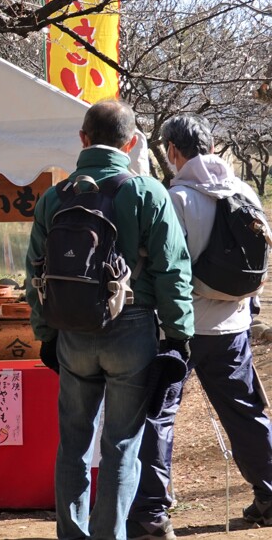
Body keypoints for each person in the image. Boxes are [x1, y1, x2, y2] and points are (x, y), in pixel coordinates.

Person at [25, 99, 194, 540]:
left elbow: (35, 273)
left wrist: (46, 334)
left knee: (74, 444)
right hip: (132, 328)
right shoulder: (146, 192)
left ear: (82, 139)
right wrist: (178, 335)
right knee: (121, 446)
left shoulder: (53, 198)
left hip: (72, 333)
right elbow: (173, 269)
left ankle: (71, 534)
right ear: (132, 142)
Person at [127, 114, 272, 538]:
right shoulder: (245, 191)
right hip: (233, 327)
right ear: (210, 146)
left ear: (173, 152)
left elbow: (166, 267)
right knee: (245, 413)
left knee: (159, 415)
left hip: (183, 329)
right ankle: (269, 495)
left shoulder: (176, 199)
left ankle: (153, 513)